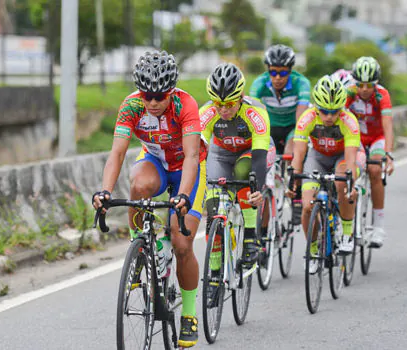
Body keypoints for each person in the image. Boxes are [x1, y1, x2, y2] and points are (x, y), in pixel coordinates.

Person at [91, 50, 206, 348]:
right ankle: (139, 244)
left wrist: (182, 195)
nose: (153, 102)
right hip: (155, 162)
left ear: (171, 91)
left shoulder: (186, 104)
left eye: (160, 96)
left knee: (182, 244)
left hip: (186, 170)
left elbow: (193, 156)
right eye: (147, 95)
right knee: (138, 186)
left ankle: (190, 314)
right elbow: (117, 153)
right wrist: (104, 190)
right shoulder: (131, 105)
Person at [201, 63, 275, 270]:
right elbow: (195, 154)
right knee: (213, 209)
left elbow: (259, 158)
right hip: (221, 155)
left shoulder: (255, 113)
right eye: (218, 104)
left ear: (241, 97)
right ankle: (214, 278)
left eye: (229, 104)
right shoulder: (206, 113)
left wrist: (257, 188)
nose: (223, 110)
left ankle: (251, 237)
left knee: (244, 171)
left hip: (254, 151)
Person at [289, 75, 364, 269]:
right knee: (306, 206)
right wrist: (294, 179)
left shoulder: (349, 121)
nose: (329, 117)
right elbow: (299, 153)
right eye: (324, 111)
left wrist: (351, 183)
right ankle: (312, 250)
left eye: (334, 112)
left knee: (342, 184)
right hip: (318, 158)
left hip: (341, 157)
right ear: (316, 107)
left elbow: (350, 160)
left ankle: (347, 232)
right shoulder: (307, 118)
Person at [344, 56, 394, 248]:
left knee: (374, 171)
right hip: (355, 138)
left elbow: (388, 126)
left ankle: (378, 226)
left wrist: (388, 154)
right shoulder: (349, 92)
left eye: (369, 85)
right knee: (351, 169)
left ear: (376, 83)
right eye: (360, 85)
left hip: (376, 138)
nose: (364, 89)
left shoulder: (382, 95)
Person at [250, 44, 311, 155]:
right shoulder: (259, 83)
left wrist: (297, 138)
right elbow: (253, 111)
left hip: (293, 127)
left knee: (291, 152)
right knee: (265, 154)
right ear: (268, 69)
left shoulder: (301, 83)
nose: (278, 77)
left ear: (290, 70)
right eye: (273, 72)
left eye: (283, 72)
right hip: (270, 127)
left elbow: (301, 116)